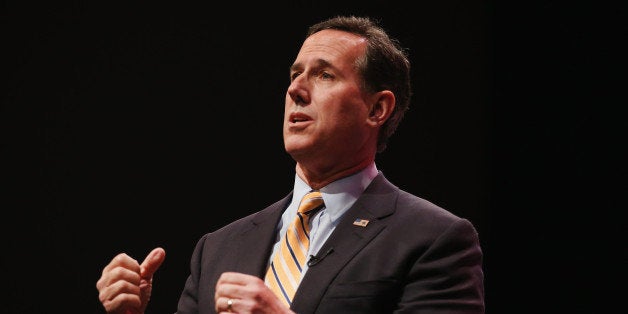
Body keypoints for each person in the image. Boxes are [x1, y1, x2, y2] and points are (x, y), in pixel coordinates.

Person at [96, 15, 485, 314]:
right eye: (295, 75)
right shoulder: (217, 248)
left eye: (324, 75)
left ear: (377, 108)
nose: (296, 90)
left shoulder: (433, 239)